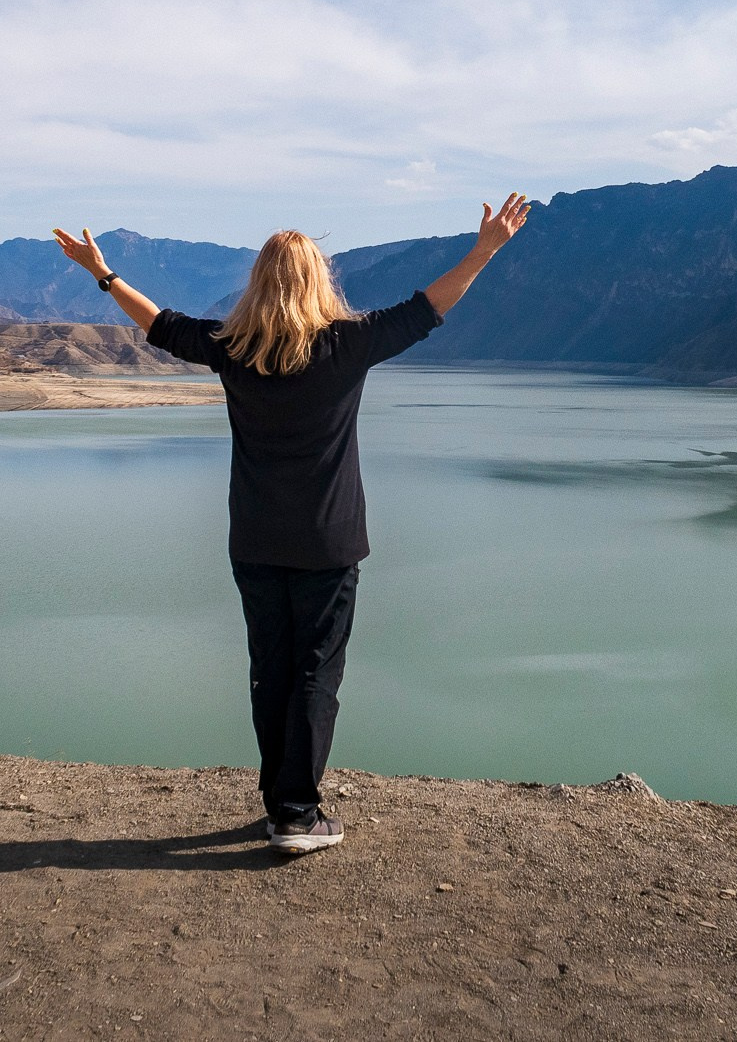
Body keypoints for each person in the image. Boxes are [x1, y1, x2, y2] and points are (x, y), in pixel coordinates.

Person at [54, 194, 531, 853]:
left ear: (258, 283)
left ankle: (280, 801)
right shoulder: (349, 343)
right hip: (328, 543)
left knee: (270, 670)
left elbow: (158, 322)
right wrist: (485, 249)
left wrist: (102, 274)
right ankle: (297, 815)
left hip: (254, 541)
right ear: (318, 281)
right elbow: (430, 307)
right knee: (314, 674)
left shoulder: (233, 347)